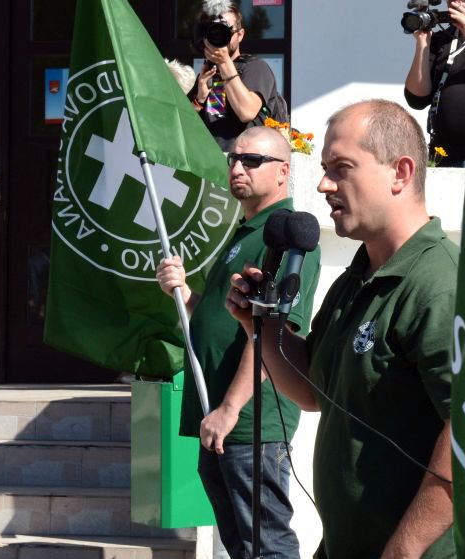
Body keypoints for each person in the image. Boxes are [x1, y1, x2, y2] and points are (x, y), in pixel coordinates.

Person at [225, 100, 457, 558]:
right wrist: (261, 325)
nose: (324, 184)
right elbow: (314, 392)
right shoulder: (357, 277)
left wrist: (403, 550)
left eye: (341, 168)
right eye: (324, 168)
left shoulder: (439, 284)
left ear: (400, 172)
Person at [156, 126, 321, 559]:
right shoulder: (247, 233)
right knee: (244, 547)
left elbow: (275, 335)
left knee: (267, 546)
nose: (237, 168)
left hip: (250, 423)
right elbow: (222, 318)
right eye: (233, 159)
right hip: (221, 420)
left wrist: (229, 411)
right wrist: (183, 291)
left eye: (252, 160)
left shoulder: (287, 238)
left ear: (283, 171)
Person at [189, 1, 288, 151]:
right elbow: (182, 124)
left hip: (245, 159)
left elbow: (246, 112)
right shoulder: (207, 73)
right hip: (211, 159)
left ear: (240, 35)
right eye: (213, 30)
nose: (218, 35)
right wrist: (199, 100)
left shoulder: (255, 68)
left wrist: (224, 63)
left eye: (224, 30)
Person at [404, 0, 465, 167]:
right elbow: (416, 99)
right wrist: (423, 43)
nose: (456, 2)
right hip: (444, 156)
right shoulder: (445, 39)